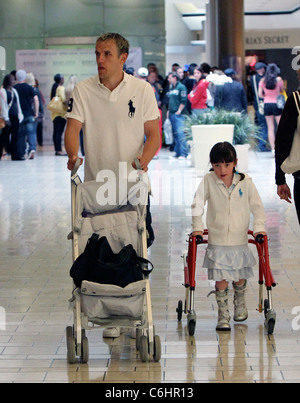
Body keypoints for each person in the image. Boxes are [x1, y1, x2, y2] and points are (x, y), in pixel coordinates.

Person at [64, 33, 160, 338]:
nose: (100, 60)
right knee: (102, 246)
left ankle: (132, 308)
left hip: (132, 182)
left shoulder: (142, 90)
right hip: (98, 184)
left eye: (106, 54)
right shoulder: (83, 90)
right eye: (96, 54)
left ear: (123, 57)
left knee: (134, 242)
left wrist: (143, 160)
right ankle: (108, 310)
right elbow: (73, 128)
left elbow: (153, 134)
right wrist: (71, 155)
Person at [191, 142, 266, 331]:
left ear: (235, 163)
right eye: (217, 165)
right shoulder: (208, 180)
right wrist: (197, 227)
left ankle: (239, 301)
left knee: (239, 275)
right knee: (221, 278)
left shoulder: (245, 182)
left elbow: (257, 207)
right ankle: (222, 313)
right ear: (211, 165)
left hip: (239, 238)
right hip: (217, 239)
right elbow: (197, 204)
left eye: (226, 164)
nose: (222, 170)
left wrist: (259, 227)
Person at [275, 69, 300, 225]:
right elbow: (283, 141)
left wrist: (280, 180)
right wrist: (280, 179)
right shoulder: (296, 101)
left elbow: (282, 141)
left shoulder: (296, 100)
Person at [258, 63, 284, 153]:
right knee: (280, 126)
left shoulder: (263, 80)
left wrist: (266, 95)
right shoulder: (278, 80)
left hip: (267, 104)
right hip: (277, 104)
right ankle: (281, 146)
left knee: (270, 127)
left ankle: (273, 149)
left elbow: (260, 94)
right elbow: (282, 90)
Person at [14, 69, 39, 160]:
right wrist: (36, 112)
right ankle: (32, 149)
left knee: (20, 134)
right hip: (29, 114)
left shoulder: (14, 88)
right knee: (31, 133)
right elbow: (36, 99)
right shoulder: (29, 88)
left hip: (19, 115)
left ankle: (21, 152)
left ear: (16, 77)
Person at [0, 74, 23, 160]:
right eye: (13, 79)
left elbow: (18, 104)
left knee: (15, 136)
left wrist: (20, 115)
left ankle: (15, 155)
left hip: (15, 117)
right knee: (4, 136)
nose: (14, 81)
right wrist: (6, 118)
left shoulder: (14, 91)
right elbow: (3, 105)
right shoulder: (3, 91)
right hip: (7, 118)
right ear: (8, 81)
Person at [167, 71, 188, 159]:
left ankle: (183, 153)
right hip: (172, 113)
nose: (168, 79)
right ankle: (177, 152)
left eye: (170, 78)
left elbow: (183, 100)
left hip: (179, 115)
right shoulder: (172, 88)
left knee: (180, 133)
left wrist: (179, 110)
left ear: (175, 78)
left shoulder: (181, 87)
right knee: (175, 134)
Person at [250, 62, 269, 151]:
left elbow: (251, 92)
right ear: (263, 69)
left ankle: (260, 144)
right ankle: (262, 145)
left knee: (260, 124)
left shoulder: (252, 78)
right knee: (265, 125)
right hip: (264, 104)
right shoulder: (266, 79)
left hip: (257, 105)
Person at [50, 74, 67, 156]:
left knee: (56, 132)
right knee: (59, 132)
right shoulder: (61, 88)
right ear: (60, 80)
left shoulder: (53, 88)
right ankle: (59, 150)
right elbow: (64, 99)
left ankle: (57, 149)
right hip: (61, 113)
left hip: (54, 114)